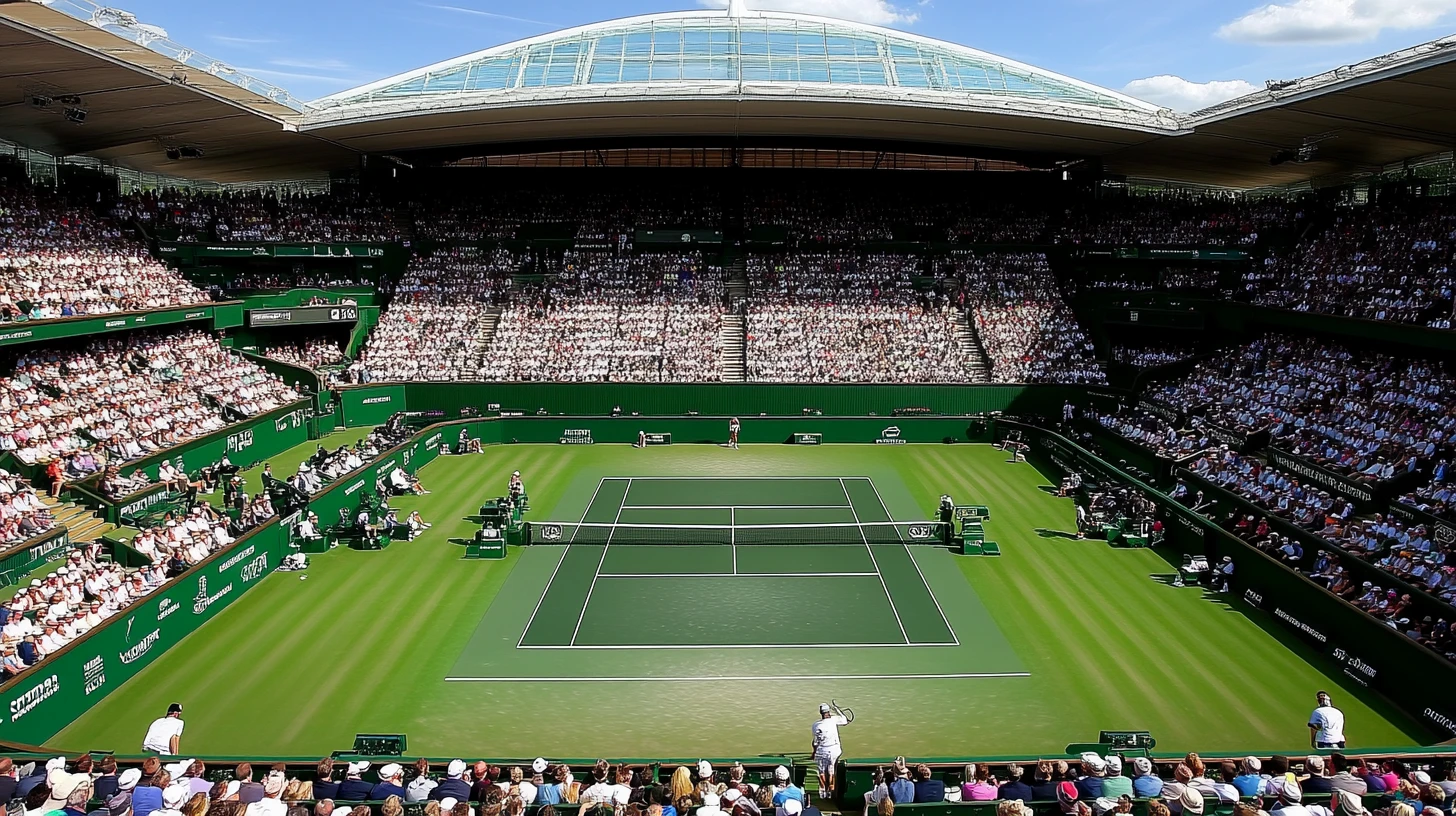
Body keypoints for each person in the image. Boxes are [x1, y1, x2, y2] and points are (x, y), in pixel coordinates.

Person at [810, 703, 849, 803]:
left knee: (821, 772)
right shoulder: (834, 720)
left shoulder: (815, 725)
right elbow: (844, 720)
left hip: (821, 751)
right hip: (834, 751)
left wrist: (814, 752)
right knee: (831, 771)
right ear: (828, 712)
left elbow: (815, 742)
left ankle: (823, 790)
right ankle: (830, 792)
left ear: (820, 713)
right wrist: (836, 709)